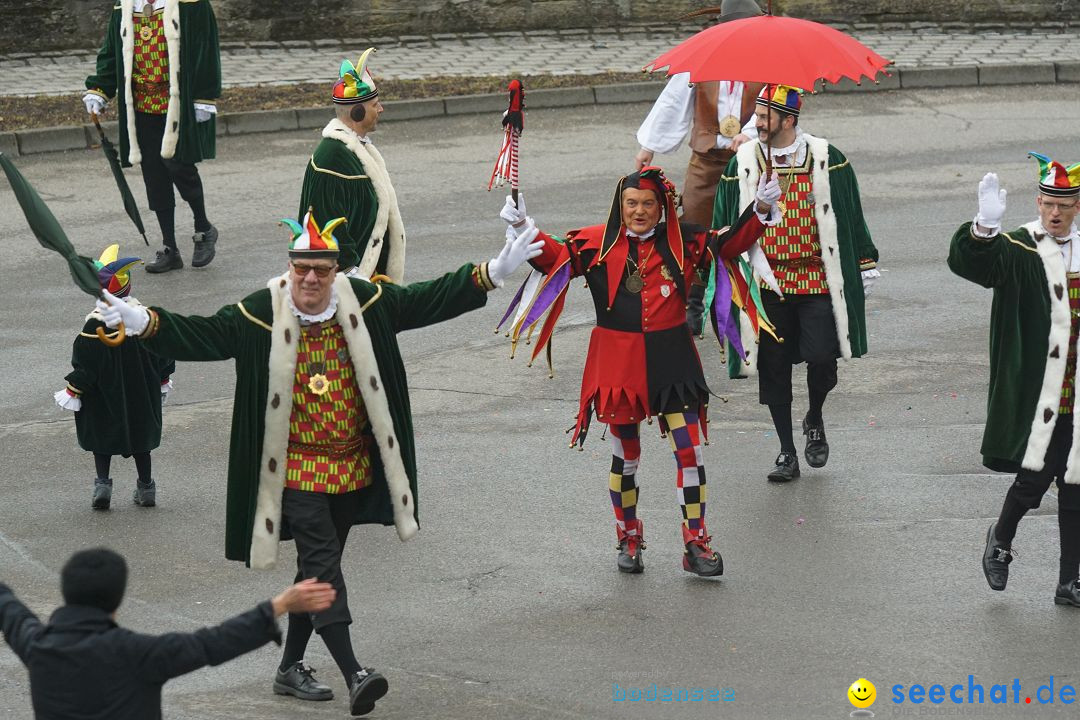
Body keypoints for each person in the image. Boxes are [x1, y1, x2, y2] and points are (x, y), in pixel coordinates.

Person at [94, 211, 541, 714]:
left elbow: (425, 299)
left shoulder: (367, 302)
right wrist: (143, 321)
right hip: (294, 471)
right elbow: (207, 335)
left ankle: (288, 668)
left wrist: (491, 272)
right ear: (289, 267)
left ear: (335, 272)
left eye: (320, 270)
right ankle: (355, 672)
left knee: (317, 568)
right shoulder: (262, 310)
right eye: (301, 267)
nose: (309, 278)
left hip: (350, 467)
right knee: (325, 566)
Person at [499, 166, 780, 576]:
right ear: (621, 205)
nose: (639, 211)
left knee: (689, 451)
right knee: (625, 456)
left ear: (662, 207)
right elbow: (552, 258)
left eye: (648, 204)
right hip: (618, 366)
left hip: (673, 361)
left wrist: (761, 208)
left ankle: (696, 542)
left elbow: (730, 244)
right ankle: (628, 537)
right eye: (632, 203)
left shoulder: (685, 242)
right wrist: (524, 225)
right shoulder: (594, 243)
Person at [713, 85, 880, 482]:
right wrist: (758, 208)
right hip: (766, 282)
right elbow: (721, 222)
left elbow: (850, 211)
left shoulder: (827, 157)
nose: (757, 121)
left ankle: (815, 415)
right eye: (756, 113)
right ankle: (787, 450)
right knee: (773, 367)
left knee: (823, 358)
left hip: (817, 278)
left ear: (789, 120)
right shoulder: (743, 162)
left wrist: (864, 262)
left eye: (766, 115)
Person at [948, 154, 1080, 607]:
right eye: (1048, 203)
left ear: (1078, 206)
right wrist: (984, 229)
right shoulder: (1020, 248)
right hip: (1038, 389)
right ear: (1039, 202)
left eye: (1065, 204)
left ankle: (1068, 581)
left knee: (1076, 482)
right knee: (1034, 480)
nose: (1055, 213)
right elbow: (972, 265)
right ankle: (1000, 539)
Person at [0, 547, 336, 720]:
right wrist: (277, 605)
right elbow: (212, 643)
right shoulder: (139, 654)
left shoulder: (38, 645)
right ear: (117, 601)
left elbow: (8, 606)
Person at [634, 0, 765, 334]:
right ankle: (691, 305)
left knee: (748, 230)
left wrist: (749, 134)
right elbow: (672, 102)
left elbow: (773, 105)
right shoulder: (702, 62)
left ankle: (749, 302)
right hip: (706, 161)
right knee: (691, 229)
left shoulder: (769, 65)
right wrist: (650, 144)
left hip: (750, 163)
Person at [84, 0, 222, 274]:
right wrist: (99, 89)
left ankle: (203, 228)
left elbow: (205, 48)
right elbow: (112, 52)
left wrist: (204, 96)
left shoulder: (191, 4)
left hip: (177, 102)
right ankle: (170, 248)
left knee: (179, 164)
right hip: (141, 104)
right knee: (154, 174)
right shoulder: (124, 7)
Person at [53, 244, 174, 509]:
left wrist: (74, 389)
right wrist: (164, 379)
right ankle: (146, 488)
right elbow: (164, 354)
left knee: (102, 440)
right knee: (142, 443)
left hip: (104, 399)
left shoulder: (93, 326)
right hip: (141, 397)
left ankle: (103, 485)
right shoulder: (144, 319)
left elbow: (85, 365)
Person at [299, 49, 405, 281]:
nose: (381, 109)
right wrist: (350, 272)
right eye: (375, 104)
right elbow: (327, 222)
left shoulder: (355, 148)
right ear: (357, 112)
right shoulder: (333, 157)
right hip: (348, 283)